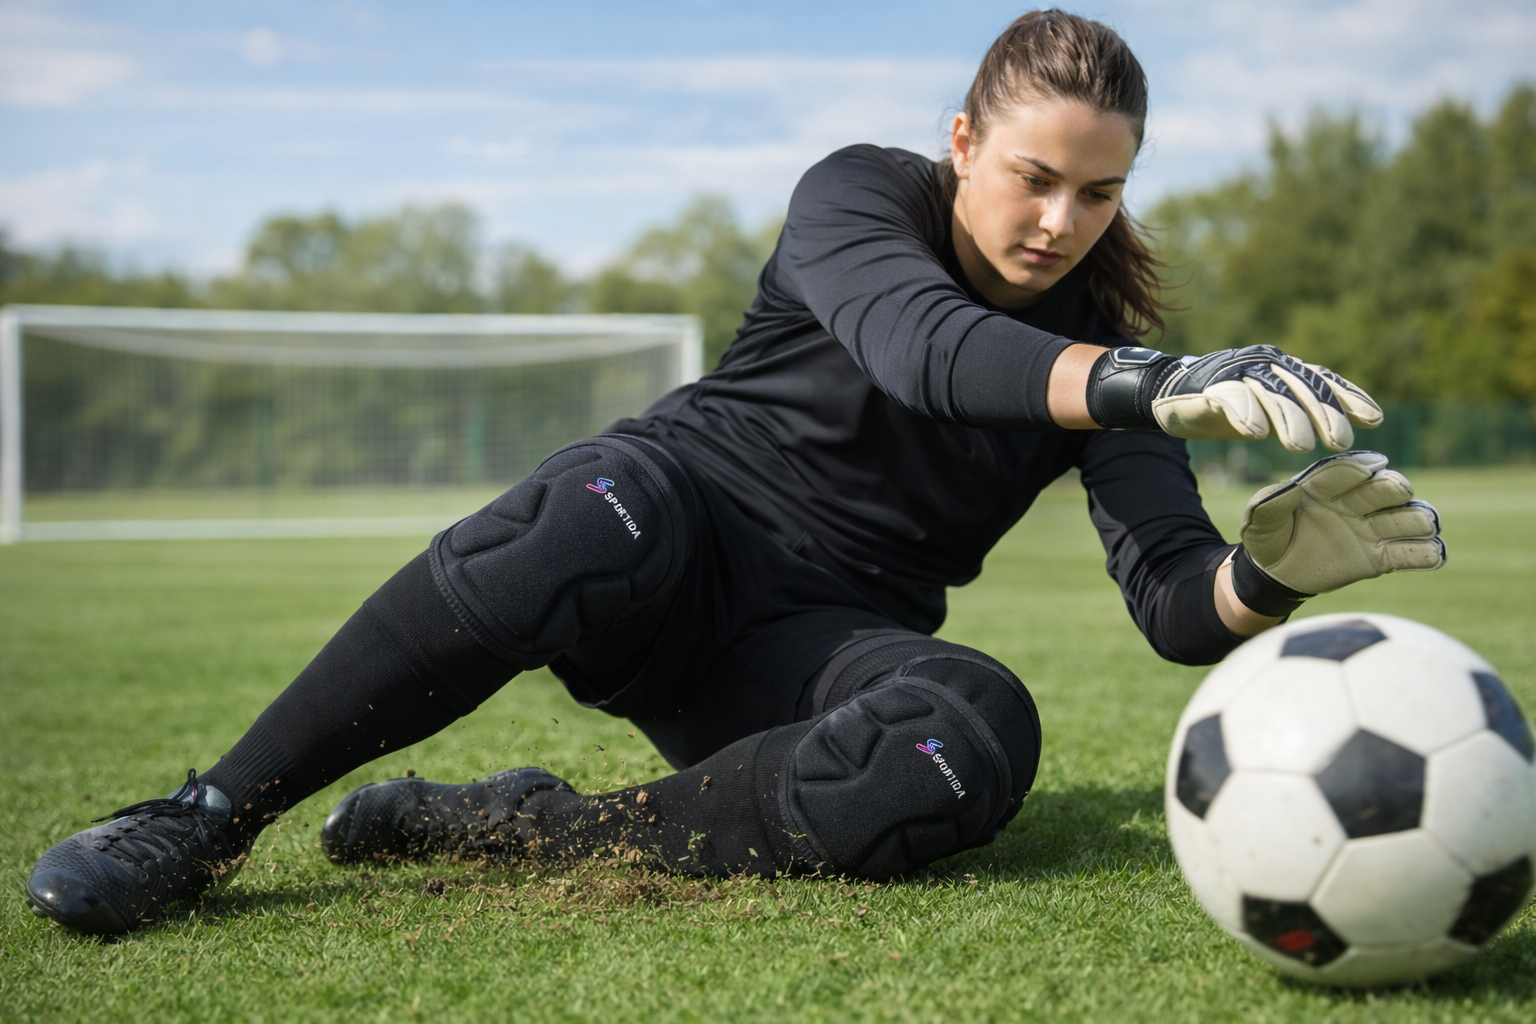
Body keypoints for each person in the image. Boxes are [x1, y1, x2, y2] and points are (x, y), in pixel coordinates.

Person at [26, 10, 1445, 935]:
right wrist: (1154, 381)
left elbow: (1170, 605)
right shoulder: (859, 195)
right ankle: (204, 821)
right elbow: (923, 348)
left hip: (793, 654)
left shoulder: (1110, 361)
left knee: (966, 723)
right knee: (584, 511)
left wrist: (1269, 574)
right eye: (1032, 176)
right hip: (660, 537)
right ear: (962, 146)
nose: (1059, 220)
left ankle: (530, 827)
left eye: (1100, 192)